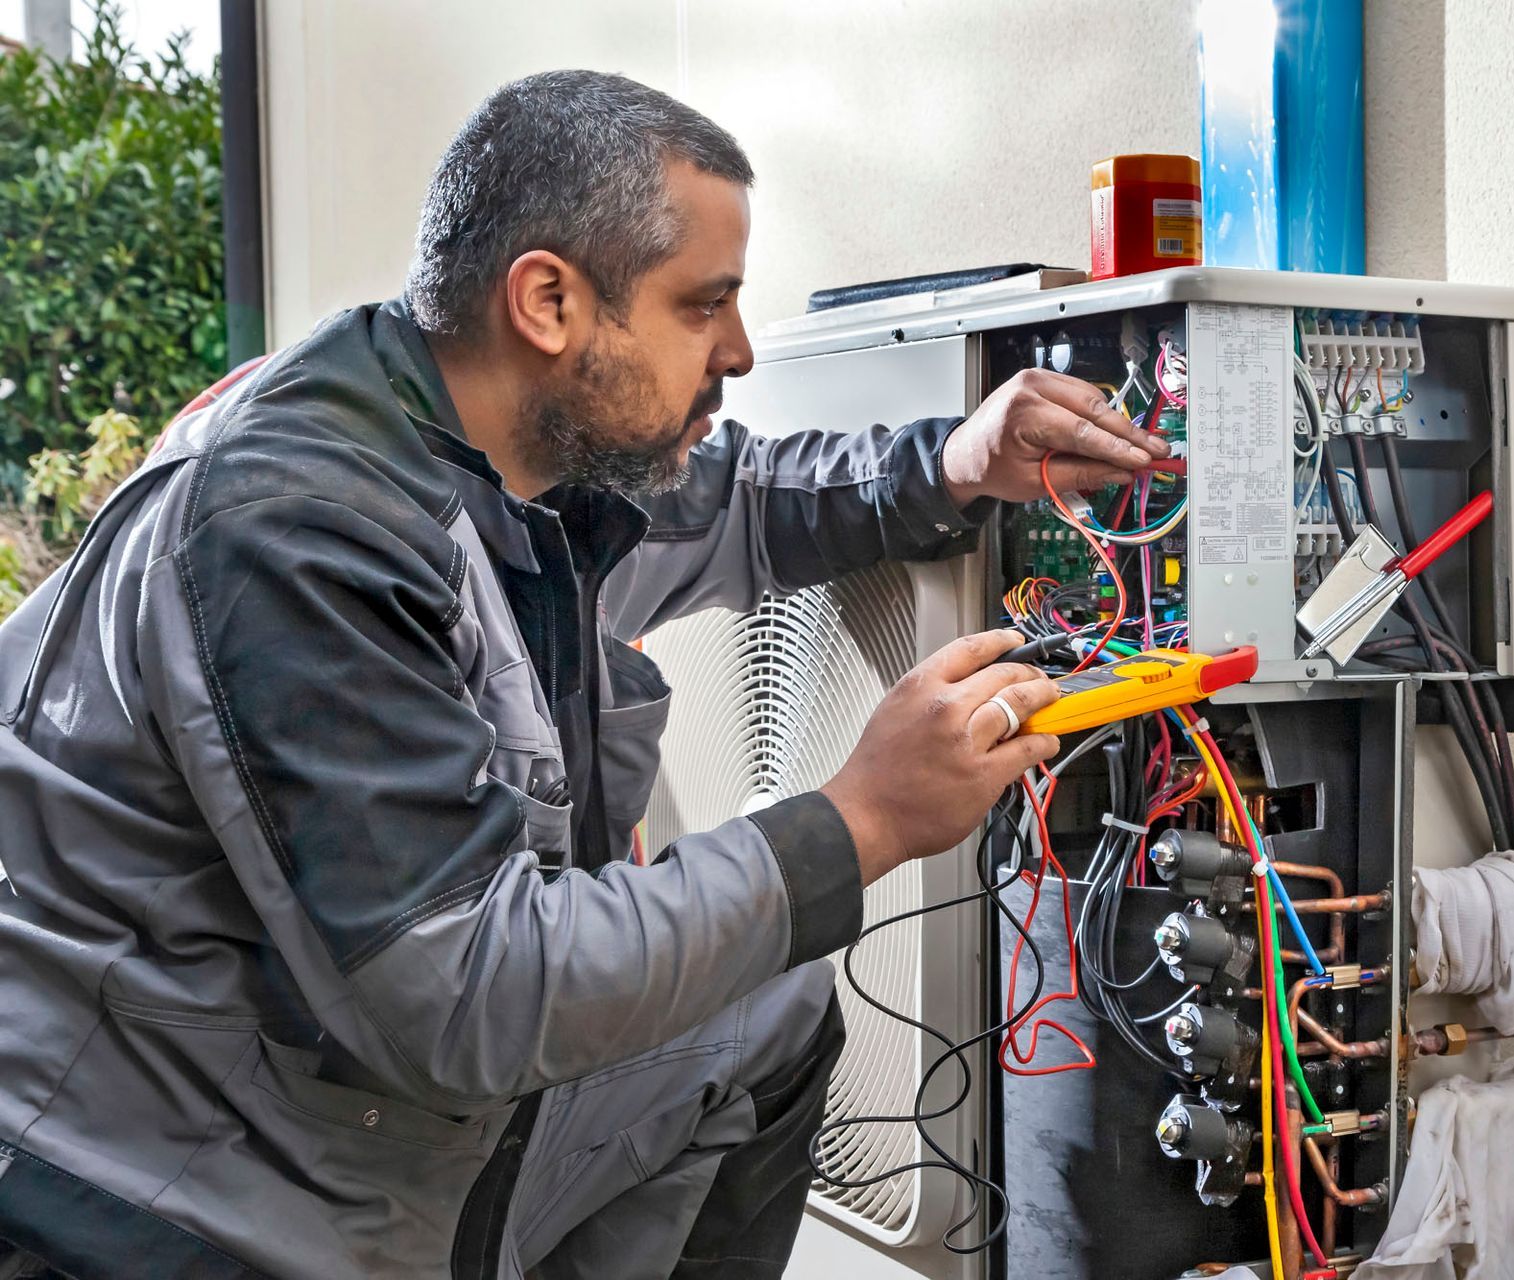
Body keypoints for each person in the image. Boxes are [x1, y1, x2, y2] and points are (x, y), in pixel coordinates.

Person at [0, 70, 1167, 1279]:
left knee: (763, 1013)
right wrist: (861, 819)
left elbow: (744, 503)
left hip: (343, 1104)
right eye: (702, 303)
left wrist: (957, 462)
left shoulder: (497, 452)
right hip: (172, 1193)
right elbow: (466, 997)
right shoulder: (295, 529)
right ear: (549, 300)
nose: (740, 349)